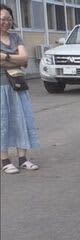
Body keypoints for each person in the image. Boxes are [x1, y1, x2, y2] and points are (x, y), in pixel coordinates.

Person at [0, 4, 39, 174]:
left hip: (17, 86)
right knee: (3, 123)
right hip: (1, 88)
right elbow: (19, 59)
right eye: (2, 19)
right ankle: (5, 160)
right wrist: (16, 59)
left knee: (21, 120)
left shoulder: (16, 38)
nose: (6, 22)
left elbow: (24, 59)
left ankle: (23, 158)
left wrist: (5, 57)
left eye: (8, 19)